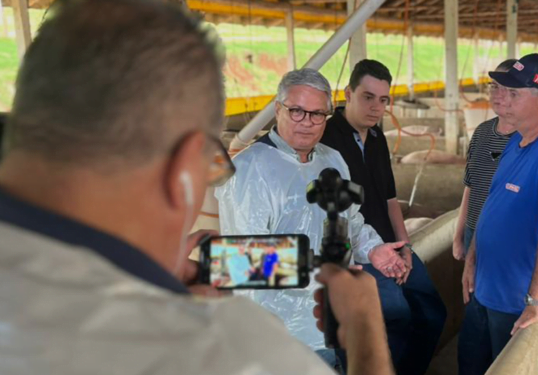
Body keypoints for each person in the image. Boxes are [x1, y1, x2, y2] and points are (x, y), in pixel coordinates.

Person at [0, 1, 393, 374]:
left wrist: (364, 249)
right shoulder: (172, 340)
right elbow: (249, 263)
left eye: (317, 114)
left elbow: (332, 228)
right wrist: (364, 330)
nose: (308, 121)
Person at [215, 68, 407, 367]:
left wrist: (373, 248)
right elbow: (242, 263)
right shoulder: (250, 170)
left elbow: (350, 222)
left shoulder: (332, 160)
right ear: (278, 109)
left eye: (317, 114)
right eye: (297, 111)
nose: (307, 122)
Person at [458, 54, 538, 375]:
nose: (503, 99)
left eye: (514, 94)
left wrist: (535, 299)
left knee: (503, 366)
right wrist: (473, 257)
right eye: (502, 90)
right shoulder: (517, 141)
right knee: (473, 361)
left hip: (515, 299)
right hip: (487, 284)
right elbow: (492, 204)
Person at [320, 59, 447, 375]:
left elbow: (391, 200)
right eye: (367, 96)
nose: (376, 107)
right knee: (395, 317)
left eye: (383, 99)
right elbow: (329, 212)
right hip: (359, 253)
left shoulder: (376, 138)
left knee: (432, 312)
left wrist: (405, 245)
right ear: (348, 93)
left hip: (390, 245)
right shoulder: (326, 139)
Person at [452, 59, 518, 261]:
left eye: (507, 88)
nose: (498, 94)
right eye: (494, 86)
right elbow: (470, 187)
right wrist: (458, 235)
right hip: (474, 231)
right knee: (472, 291)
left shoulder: (530, 139)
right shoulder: (481, 133)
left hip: (511, 237)